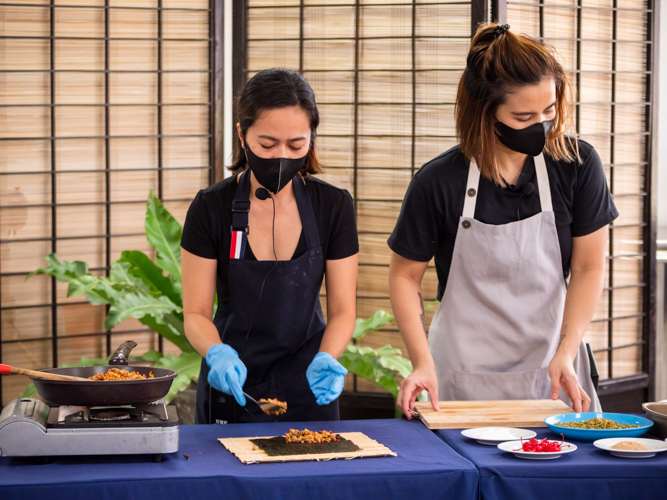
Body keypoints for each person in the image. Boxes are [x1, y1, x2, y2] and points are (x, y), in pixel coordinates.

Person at [388, 24, 617, 418]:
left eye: (549, 110)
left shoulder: (576, 166)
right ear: (485, 111)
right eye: (524, 116)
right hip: (461, 375)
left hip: (552, 370)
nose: (542, 125)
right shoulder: (439, 181)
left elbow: (588, 266)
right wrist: (422, 361)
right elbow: (405, 276)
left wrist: (567, 348)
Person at [181, 68, 358, 424]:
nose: (281, 156)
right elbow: (196, 313)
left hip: (308, 386)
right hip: (232, 386)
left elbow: (343, 311)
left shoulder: (333, 206)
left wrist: (328, 357)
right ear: (242, 135)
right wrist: (217, 354)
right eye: (267, 144)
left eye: (296, 145)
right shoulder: (211, 207)